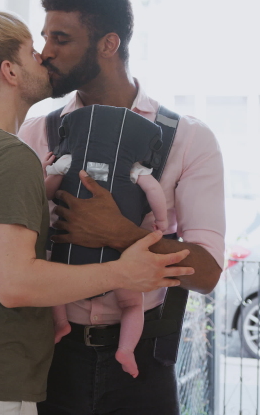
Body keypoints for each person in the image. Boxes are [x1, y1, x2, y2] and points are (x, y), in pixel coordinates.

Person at [0, 11, 195, 415]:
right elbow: (15, 285)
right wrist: (122, 273)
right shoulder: (10, 155)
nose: (43, 57)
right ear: (9, 71)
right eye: (30, 51)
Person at [42, 104, 170, 378]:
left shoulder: (68, 159)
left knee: (54, 287)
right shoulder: (135, 166)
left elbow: (48, 192)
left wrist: (45, 176)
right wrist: (162, 221)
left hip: (71, 253)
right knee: (132, 304)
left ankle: (61, 322)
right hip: (120, 257)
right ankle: (126, 349)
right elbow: (154, 191)